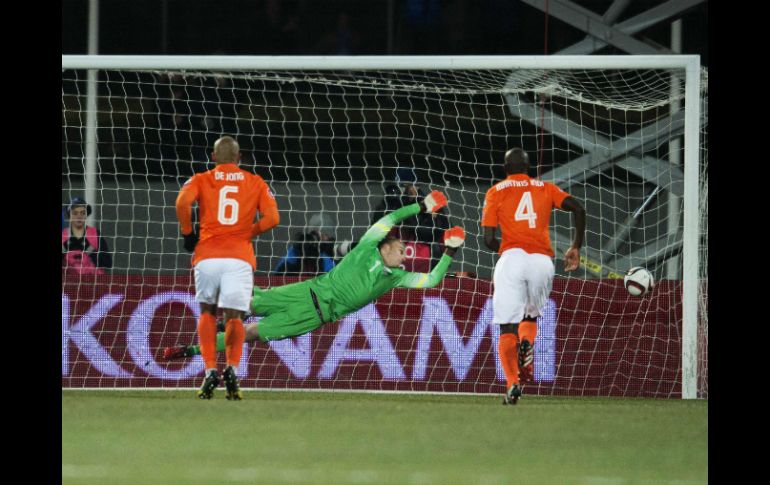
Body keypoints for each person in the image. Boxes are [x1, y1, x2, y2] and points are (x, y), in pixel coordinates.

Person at [163, 191, 465, 361]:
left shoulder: (395, 278)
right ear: (386, 247)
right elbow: (390, 218)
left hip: (314, 316)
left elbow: (431, 281)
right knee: (247, 302)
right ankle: (215, 316)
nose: (405, 254)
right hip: (306, 291)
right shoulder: (366, 248)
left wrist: (449, 251)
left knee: (253, 332)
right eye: (401, 248)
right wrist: (421, 206)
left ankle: (189, 350)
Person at [175, 136, 280, 400]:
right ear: (239, 157)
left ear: (213, 157)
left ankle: (210, 370)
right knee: (235, 317)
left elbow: (181, 203)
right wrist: (248, 232)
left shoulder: (200, 178)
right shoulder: (255, 182)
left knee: (208, 313)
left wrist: (188, 233)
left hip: (208, 256)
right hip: (239, 258)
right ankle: (232, 368)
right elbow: (273, 218)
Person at [481, 148, 585, 405]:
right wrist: (575, 246)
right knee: (530, 315)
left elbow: (488, 240)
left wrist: (508, 250)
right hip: (542, 262)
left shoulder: (496, 191)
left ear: (505, 169)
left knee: (507, 325)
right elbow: (579, 208)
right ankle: (527, 342)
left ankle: (512, 383)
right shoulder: (546, 187)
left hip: (512, 259)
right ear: (528, 168)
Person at [370, 167, 450, 271]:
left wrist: (408, 208)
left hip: (422, 262)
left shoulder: (430, 205)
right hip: (392, 261)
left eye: (414, 185)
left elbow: (427, 234)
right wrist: (395, 204)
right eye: (404, 186)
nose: (412, 190)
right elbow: (375, 235)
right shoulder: (386, 206)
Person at [273, 213, 341, 275]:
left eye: (327, 234)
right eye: (325, 234)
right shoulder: (295, 252)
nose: (327, 237)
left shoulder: (326, 258)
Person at [62, 197, 112, 275]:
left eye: (82, 213)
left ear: (86, 215)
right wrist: (64, 247)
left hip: (94, 283)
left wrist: (88, 248)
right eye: (75, 213)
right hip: (70, 284)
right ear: (69, 215)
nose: (79, 216)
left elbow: (107, 263)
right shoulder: (63, 235)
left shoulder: (95, 233)